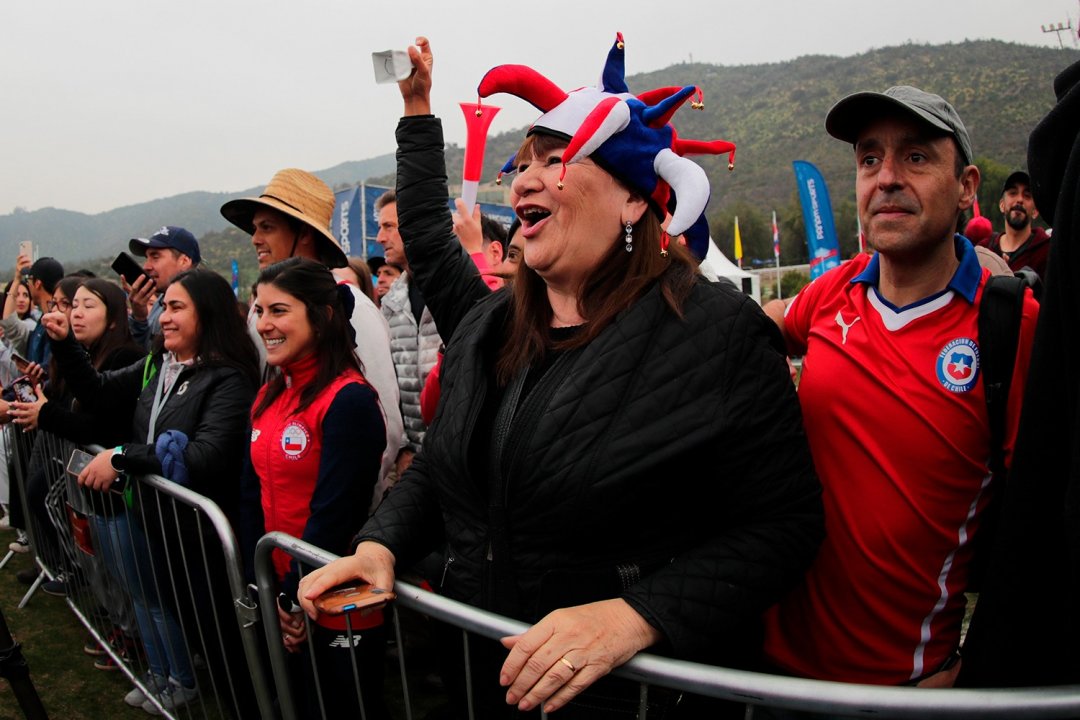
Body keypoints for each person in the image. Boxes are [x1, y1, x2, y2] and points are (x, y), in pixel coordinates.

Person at [300, 35, 822, 718]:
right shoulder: (493, 325)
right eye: (521, 165)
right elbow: (448, 467)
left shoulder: (718, 333)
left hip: (634, 696)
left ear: (636, 200)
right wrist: (380, 544)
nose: (523, 180)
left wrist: (638, 615)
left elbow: (784, 526)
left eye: (558, 160)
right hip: (483, 676)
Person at [760, 85, 1040, 688]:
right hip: (769, 676)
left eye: (915, 157)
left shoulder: (1011, 327)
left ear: (966, 186)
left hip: (903, 692)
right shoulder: (836, 291)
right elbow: (763, 324)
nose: (886, 178)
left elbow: (1040, 533)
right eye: (868, 159)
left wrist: (986, 666)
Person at [45, 268, 260, 714]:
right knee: (196, 629)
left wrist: (121, 455)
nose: (163, 317)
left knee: (223, 640)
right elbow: (98, 391)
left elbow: (205, 455)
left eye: (177, 307)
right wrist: (66, 344)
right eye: (164, 306)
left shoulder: (228, 379)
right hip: (162, 527)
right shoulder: (163, 365)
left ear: (210, 315)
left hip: (202, 539)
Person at [241, 257, 388, 719]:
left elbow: (333, 516)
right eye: (259, 310)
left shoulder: (350, 400)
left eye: (278, 310)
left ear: (322, 317)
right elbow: (252, 497)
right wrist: (263, 585)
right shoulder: (268, 395)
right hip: (278, 595)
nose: (264, 324)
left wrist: (293, 598)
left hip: (332, 601)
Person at [221, 168, 404, 493]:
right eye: (255, 229)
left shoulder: (353, 309)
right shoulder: (256, 314)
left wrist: (344, 505)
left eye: (267, 227)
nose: (255, 239)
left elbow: (383, 425)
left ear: (304, 233)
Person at [375, 188, 444, 464]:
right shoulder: (390, 304)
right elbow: (385, 384)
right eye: (380, 228)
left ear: (416, 225)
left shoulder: (453, 291)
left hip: (458, 461)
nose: (380, 237)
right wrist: (402, 449)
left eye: (389, 227)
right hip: (410, 465)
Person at [126, 225, 201, 349]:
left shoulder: (204, 302)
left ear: (184, 261)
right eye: (147, 258)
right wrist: (139, 318)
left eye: (155, 257)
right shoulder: (161, 301)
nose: (146, 267)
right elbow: (147, 356)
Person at [976, 170, 1050, 289]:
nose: (1019, 199)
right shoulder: (984, 250)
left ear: (1035, 211)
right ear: (1002, 205)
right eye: (1013, 193)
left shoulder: (1046, 252)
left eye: (1027, 196)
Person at [0, 255, 64, 366]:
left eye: (28, 280)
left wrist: (17, 280)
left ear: (37, 284)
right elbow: (10, 324)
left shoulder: (53, 324)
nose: (28, 285)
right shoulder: (42, 324)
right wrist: (17, 279)